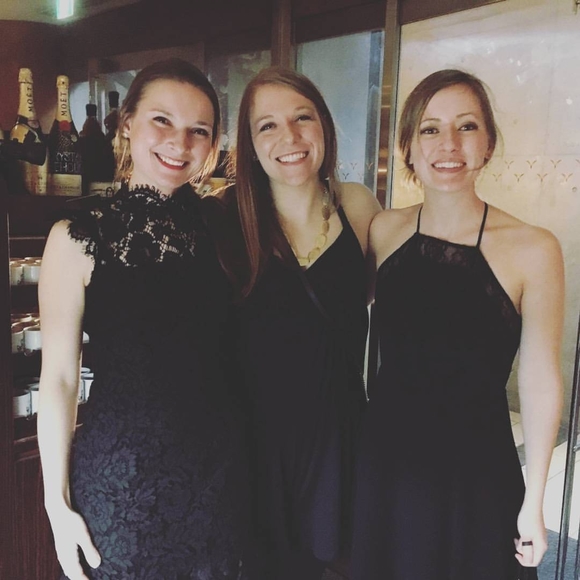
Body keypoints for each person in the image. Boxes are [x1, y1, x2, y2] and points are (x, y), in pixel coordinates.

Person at [37, 58, 248, 580]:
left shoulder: (227, 227)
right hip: (122, 484)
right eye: (162, 120)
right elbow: (59, 378)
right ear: (127, 122)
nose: (180, 142)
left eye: (199, 130)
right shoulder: (76, 236)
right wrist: (55, 504)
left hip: (220, 483)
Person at [350, 68, 564, 580]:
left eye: (466, 126)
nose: (448, 144)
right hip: (389, 464)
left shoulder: (533, 248)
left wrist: (535, 500)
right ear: (408, 146)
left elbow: (539, 380)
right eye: (430, 128)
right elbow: (341, 318)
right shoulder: (384, 229)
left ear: (488, 143)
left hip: (477, 473)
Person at [226, 66, 381, 580]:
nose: (289, 136)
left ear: (324, 127)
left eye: (302, 118)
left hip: (340, 442)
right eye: (267, 125)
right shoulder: (225, 218)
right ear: (250, 144)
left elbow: (383, 304)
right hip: (254, 449)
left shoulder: (358, 206)